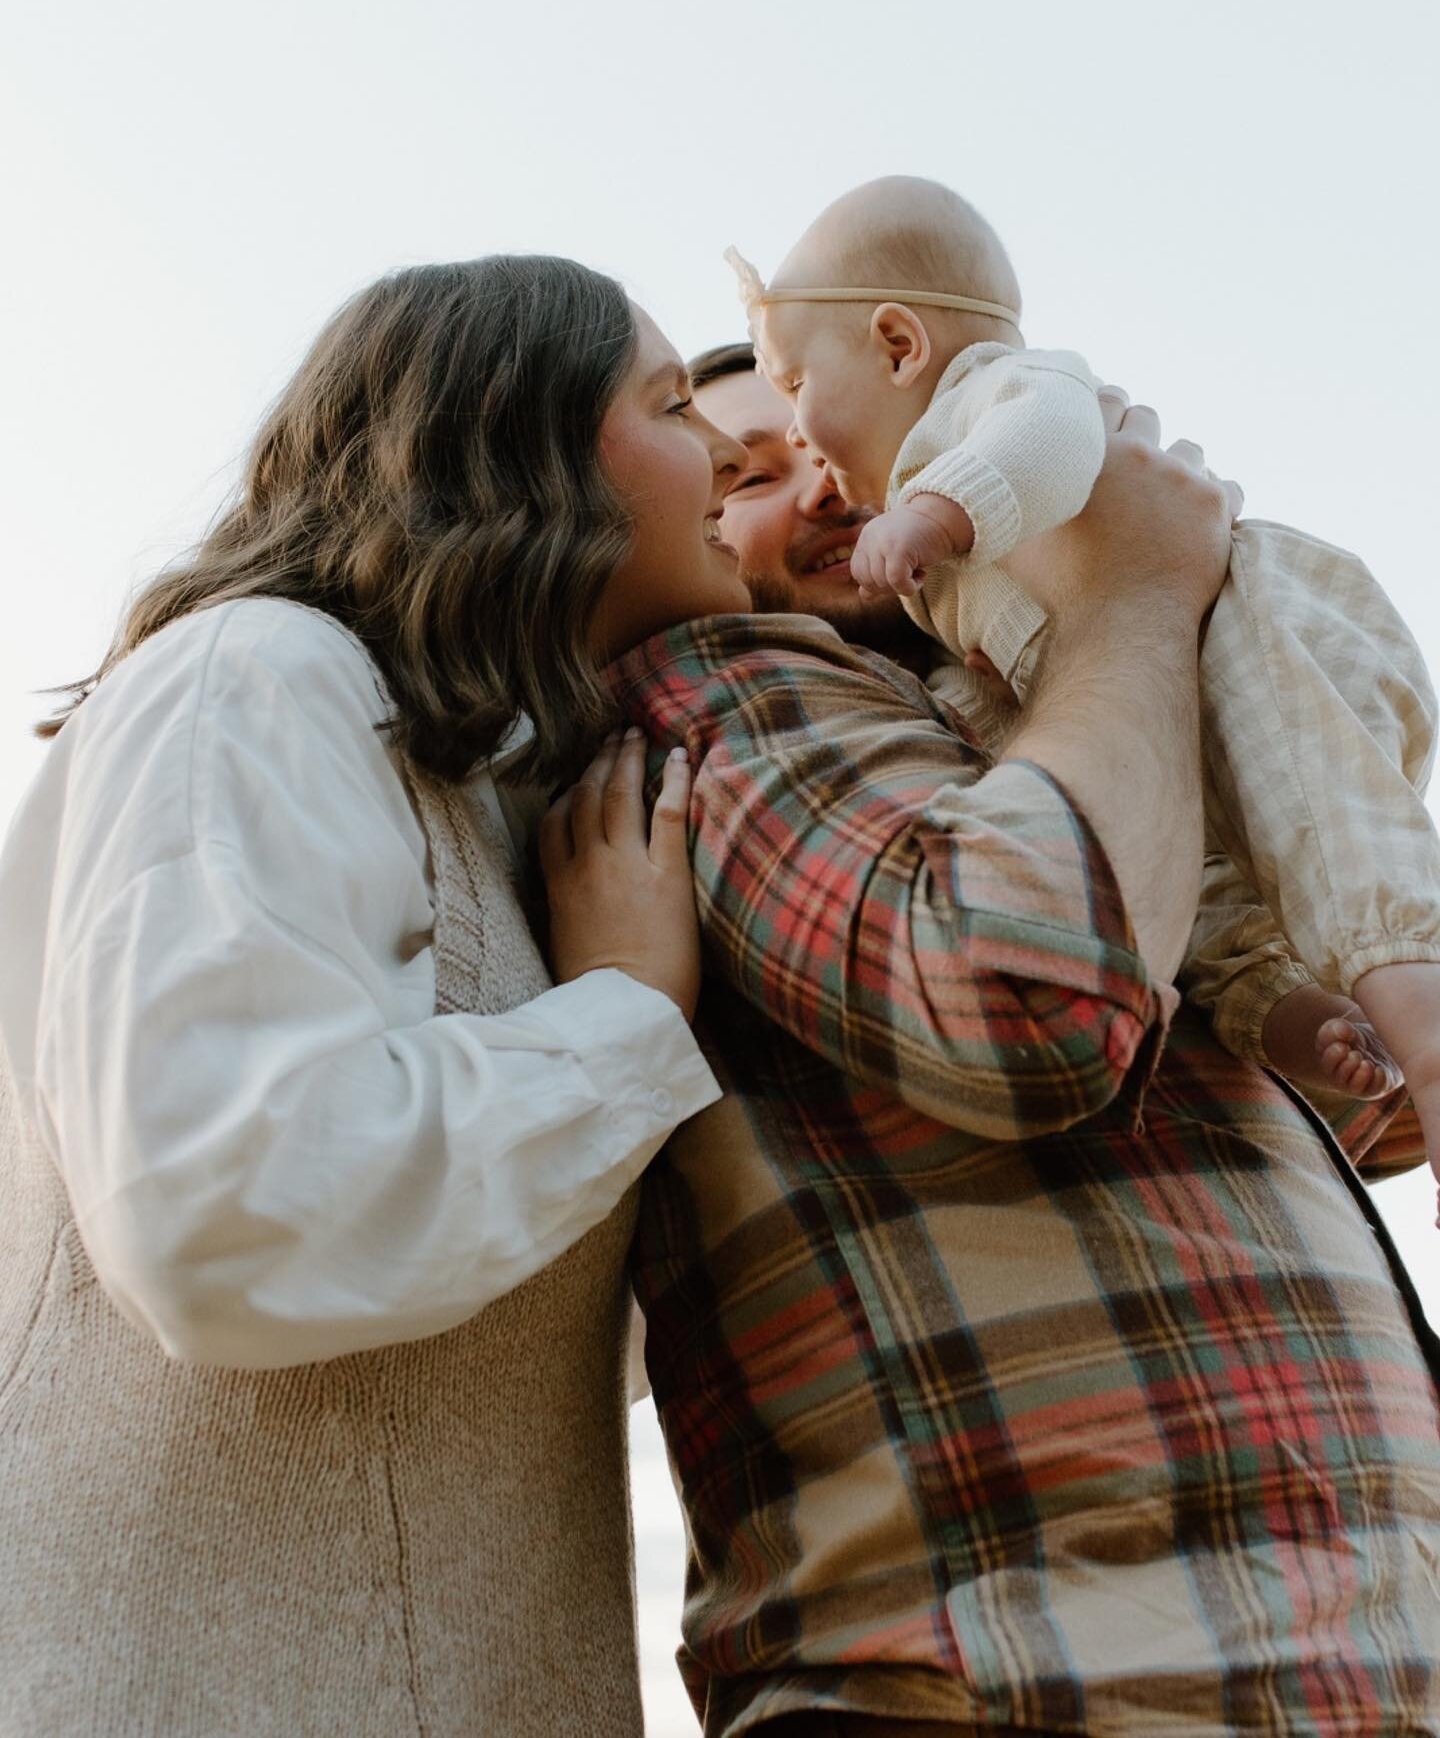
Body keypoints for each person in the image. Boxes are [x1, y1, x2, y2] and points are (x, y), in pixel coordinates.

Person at [608, 345, 1440, 1733]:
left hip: (1330, 1660)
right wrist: (1134, 588)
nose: (820, 494)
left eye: (843, 459)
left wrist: (1328, 1075)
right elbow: (1021, 1002)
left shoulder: (1023, 722)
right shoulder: (726, 690)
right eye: (749, 473)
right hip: (1020, 1677)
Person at [0, 254, 756, 1735]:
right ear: (512, 436)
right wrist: (624, 1018)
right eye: (672, 403)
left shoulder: (498, 798)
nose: (729, 447)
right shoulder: (256, 677)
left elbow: (483, 1339)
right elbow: (232, 1210)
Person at [727, 174, 1440, 1211]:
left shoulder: (989, 396)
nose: (813, 457)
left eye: (794, 393)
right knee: (1214, 917)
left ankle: (1416, 996)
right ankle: (1309, 1021)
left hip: (1249, 621)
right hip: (1162, 715)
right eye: (747, 477)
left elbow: (1052, 443)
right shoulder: (880, 676)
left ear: (897, 344)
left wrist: (929, 517)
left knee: (1314, 807)